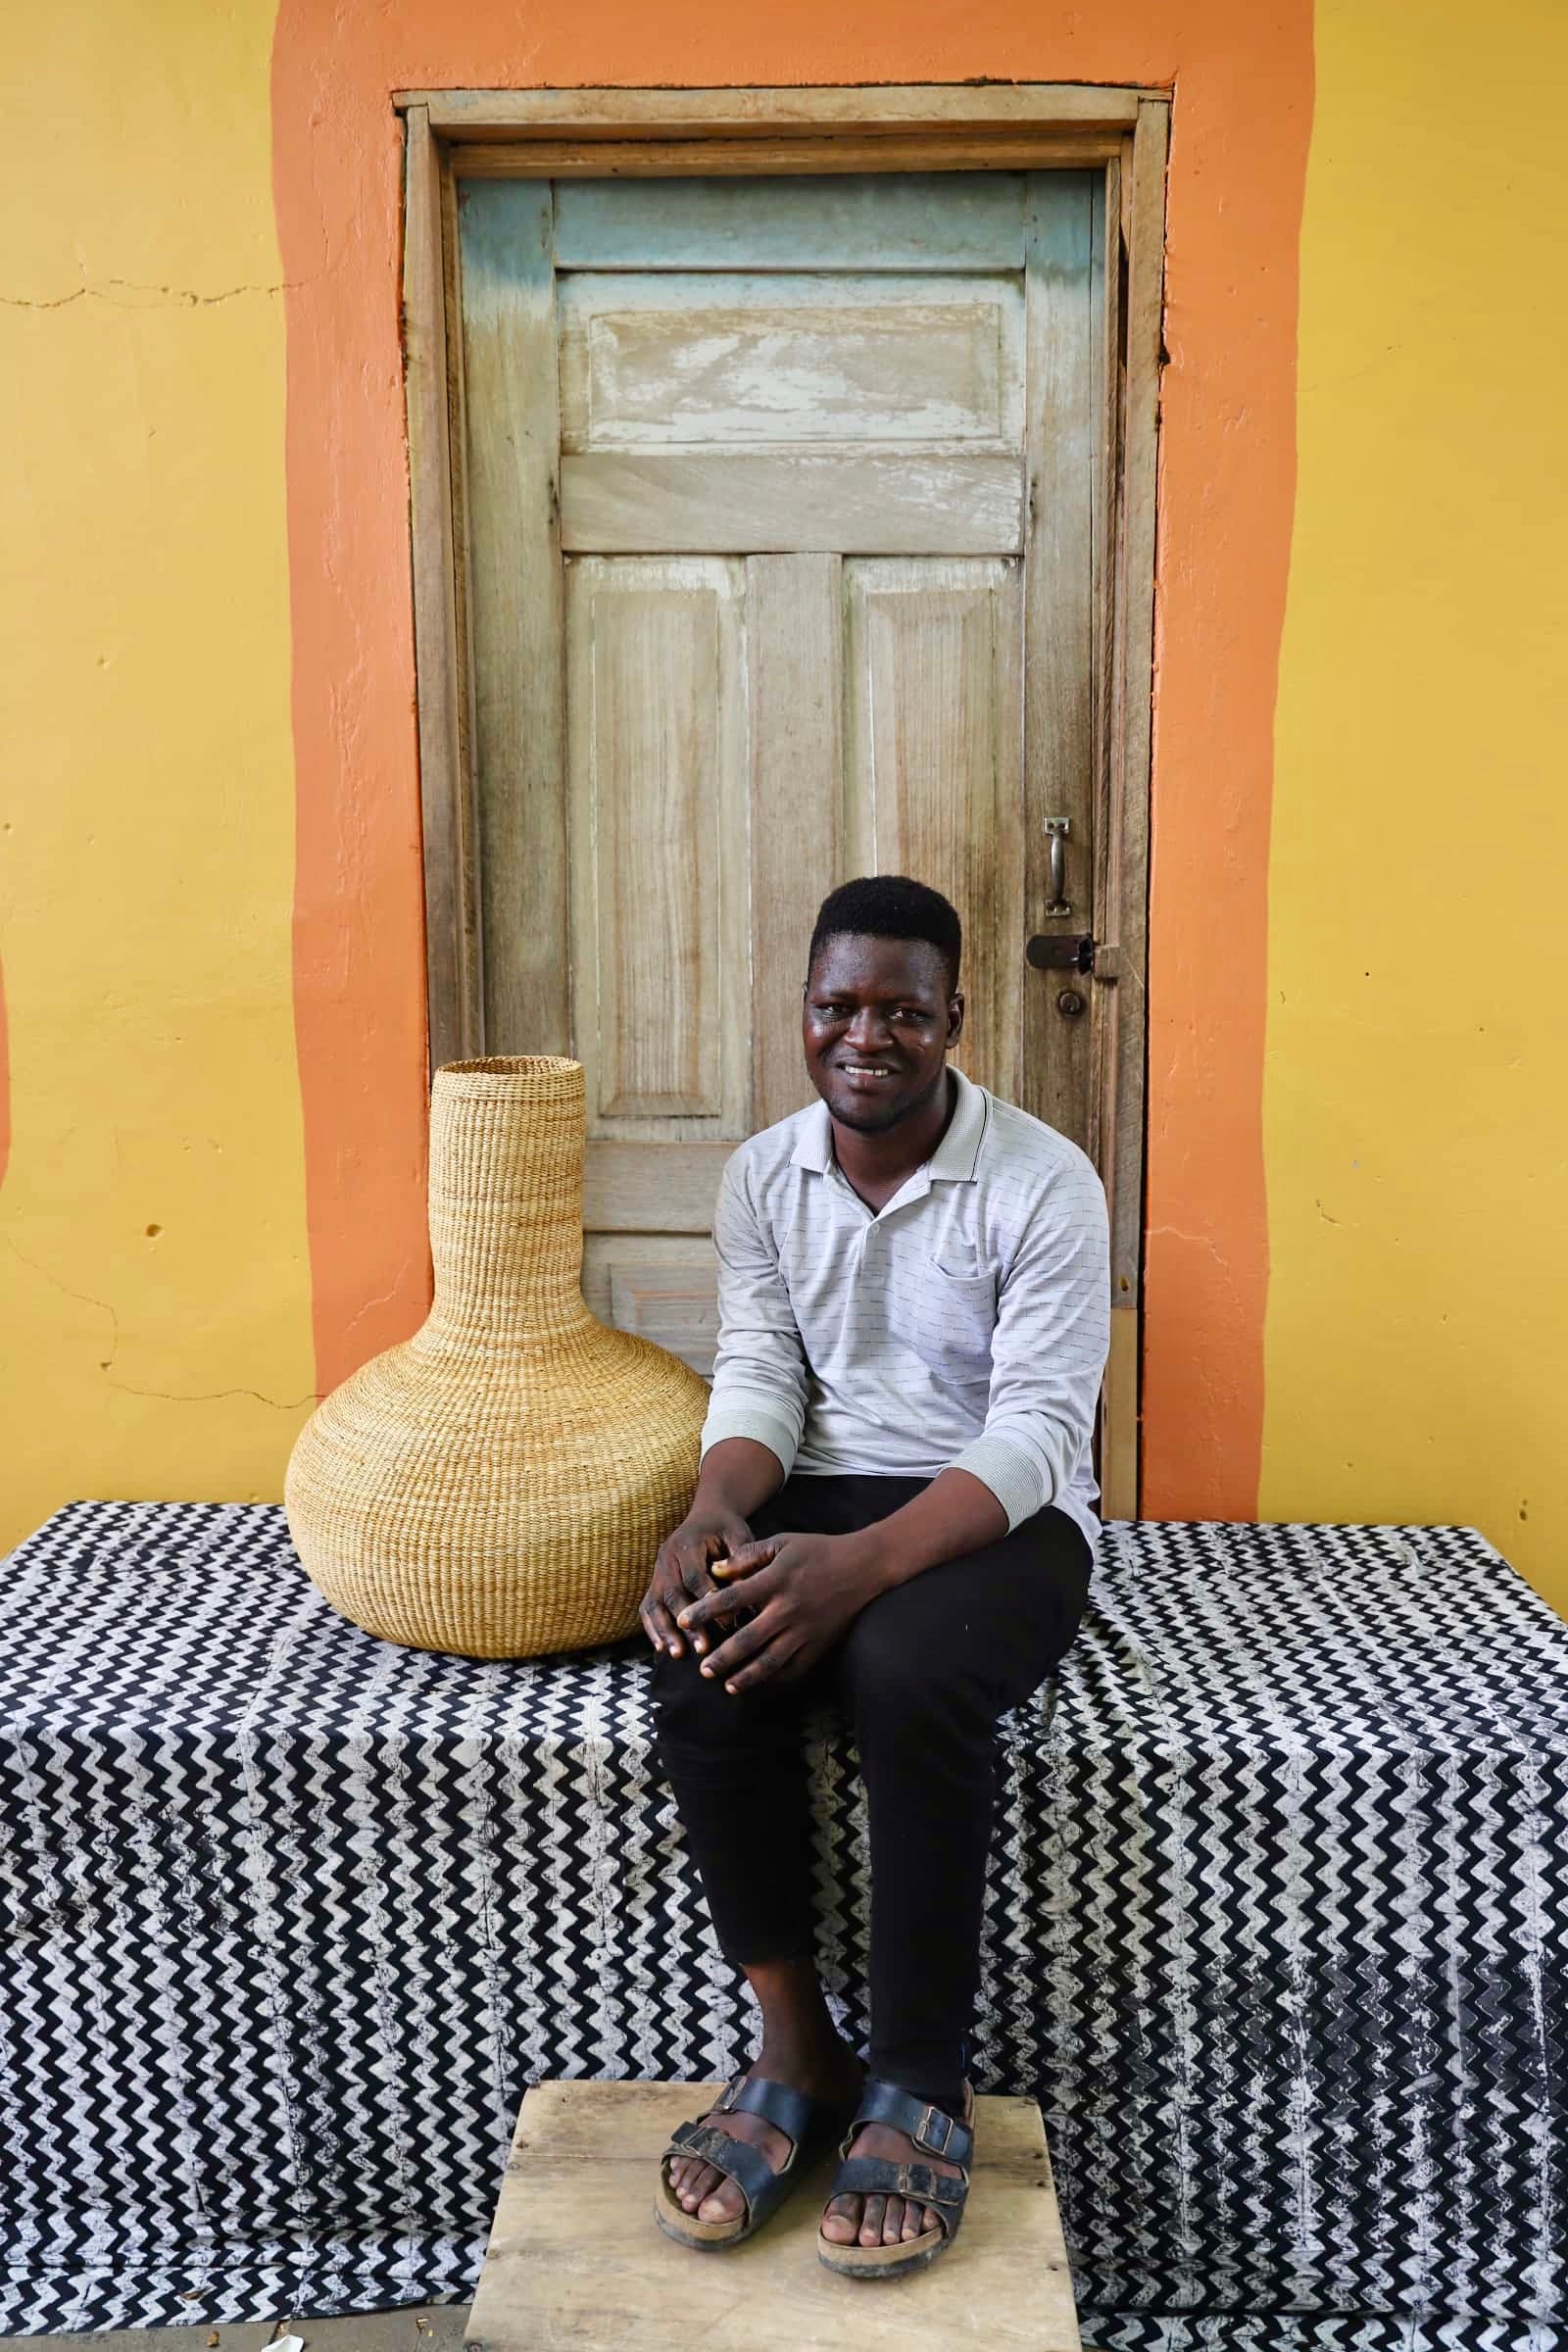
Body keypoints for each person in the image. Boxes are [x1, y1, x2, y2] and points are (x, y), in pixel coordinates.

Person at [641, 873, 1109, 2278]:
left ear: (954, 1019)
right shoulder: (763, 1175)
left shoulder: (1044, 1180)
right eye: (837, 1006)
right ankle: (797, 2048)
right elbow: (762, 1376)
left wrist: (857, 1572)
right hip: (829, 1484)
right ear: (803, 1011)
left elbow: (1038, 1429)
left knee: (906, 1671)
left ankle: (918, 2073)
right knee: (702, 1656)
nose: (866, 1037)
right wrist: (713, 1509)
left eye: (902, 1011)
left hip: (1006, 1510)